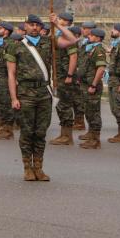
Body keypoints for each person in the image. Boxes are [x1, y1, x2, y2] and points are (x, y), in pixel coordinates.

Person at [6, 15, 53, 182]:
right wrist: (13, 97)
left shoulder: (48, 43)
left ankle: (38, 168)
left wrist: (56, 24)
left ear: (41, 27)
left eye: (37, 25)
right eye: (31, 25)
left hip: (44, 93)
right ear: (25, 26)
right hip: (25, 93)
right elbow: (11, 74)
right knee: (27, 132)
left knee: (40, 132)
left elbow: (70, 41)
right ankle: (27, 167)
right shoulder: (15, 45)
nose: (34, 27)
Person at [48, 13, 80, 145]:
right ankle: (64, 134)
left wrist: (69, 76)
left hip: (65, 77)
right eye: (59, 19)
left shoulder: (69, 37)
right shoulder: (59, 36)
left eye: (62, 20)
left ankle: (67, 136)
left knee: (65, 105)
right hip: (59, 76)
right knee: (60, 105)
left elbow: (73, 58)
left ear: (67, 23)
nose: (59, 21)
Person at [78, 29, 108, 149]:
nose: (89, 36)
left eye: (92, 35)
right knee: (89, 111)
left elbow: (100, 69)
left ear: (98, 38)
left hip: (92, 86)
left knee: (94, 113)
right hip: (86, 84)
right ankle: (91, 136)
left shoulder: (98, 50)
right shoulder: (90, 48)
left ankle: (95, 140)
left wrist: (94, 85)